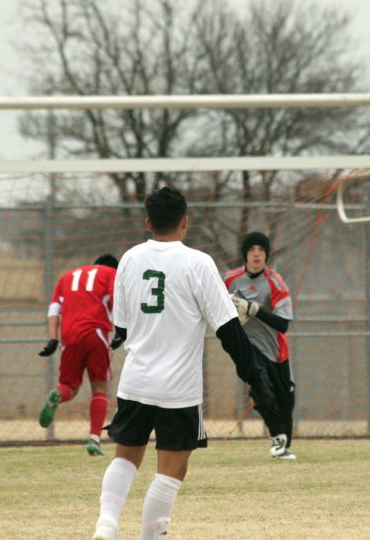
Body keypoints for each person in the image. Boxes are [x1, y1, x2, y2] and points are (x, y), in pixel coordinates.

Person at [91, 187, 277, 540]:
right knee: (171, 470)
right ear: (185, 223)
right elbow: (229, 331)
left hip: (136, 381)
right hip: (178, 389)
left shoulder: (129, 259)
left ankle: (106, 524)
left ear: (148, 222)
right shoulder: (198, 263)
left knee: (125, 457)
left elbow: (123, 326)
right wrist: (256, 380)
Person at [224, 231, 296, 460]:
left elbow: (283, 324)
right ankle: (277, 437)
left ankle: (282, 445)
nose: (257, 254)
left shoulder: (275, 281)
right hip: (248, 347)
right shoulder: (230, 280)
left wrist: (254, 309)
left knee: (286, 403)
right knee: (262, 393)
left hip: (275, 351)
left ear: (266, 255)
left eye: (261, 250)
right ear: (245, 254)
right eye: (252, 250)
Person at [38, 253, 119, 456]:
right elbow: (119, 300)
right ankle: (94, 439)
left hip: (69, 336)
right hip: (96, 333)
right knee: (99, 386)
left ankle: (56, 395)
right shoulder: (111, 274)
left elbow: (54, 309)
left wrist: (53, 339)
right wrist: (122, 330)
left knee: (70, 387)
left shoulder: (67, 276)